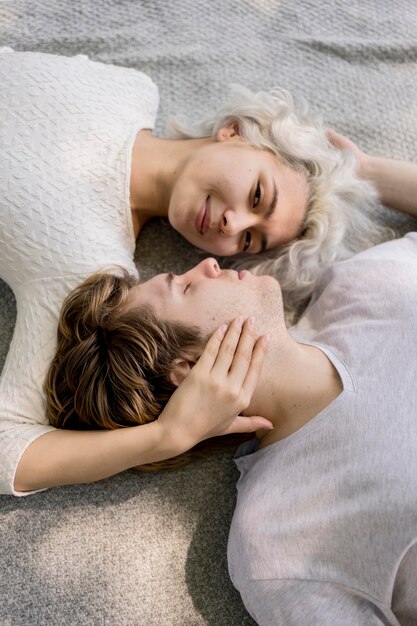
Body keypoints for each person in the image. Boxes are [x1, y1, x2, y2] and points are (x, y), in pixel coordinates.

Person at [43, 146, 417, 622]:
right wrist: (162, 438)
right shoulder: (278, 542)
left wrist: (361, 169)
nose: (209, 264)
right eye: (186, 286)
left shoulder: (367, 283)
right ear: (187, 368)